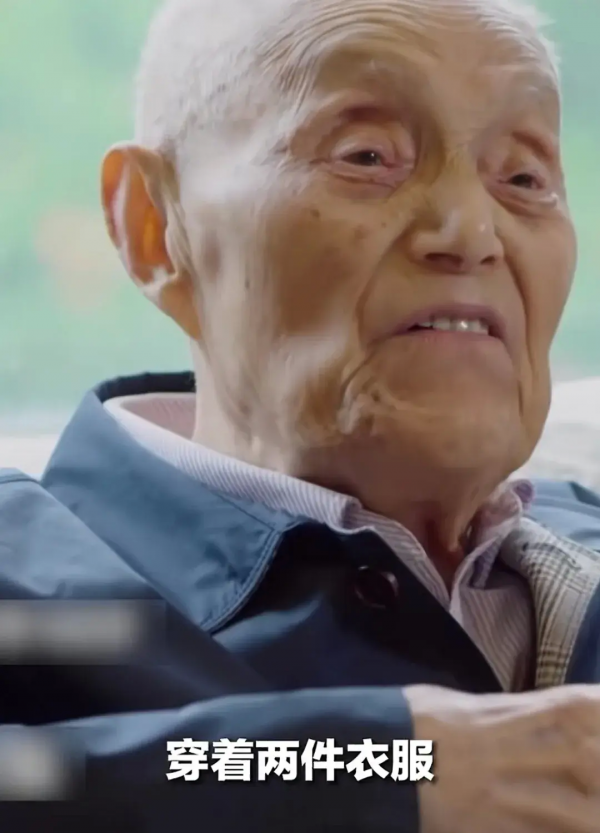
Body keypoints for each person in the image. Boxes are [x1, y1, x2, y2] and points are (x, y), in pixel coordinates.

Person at [2, 0, 600, 829]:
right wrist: (387, 766)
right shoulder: (26, 581)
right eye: (368, 157)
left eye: (525, 179)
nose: (470, 231)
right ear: (154, 224)